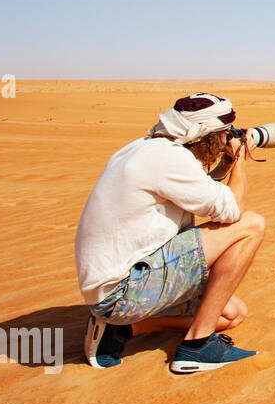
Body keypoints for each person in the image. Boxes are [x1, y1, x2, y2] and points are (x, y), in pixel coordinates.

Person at [74, 93, 265, 374]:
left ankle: (124, 330)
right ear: (206, 134)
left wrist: (223, 164)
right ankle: (197, 348)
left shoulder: (144, 148)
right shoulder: (170, 159)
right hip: (124, 292)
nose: (227, 138)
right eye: (223, 133)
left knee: (231, 314)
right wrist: (239, 158)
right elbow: (233, 209)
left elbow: (191, 191)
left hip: (114, 290)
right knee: (251, 224)